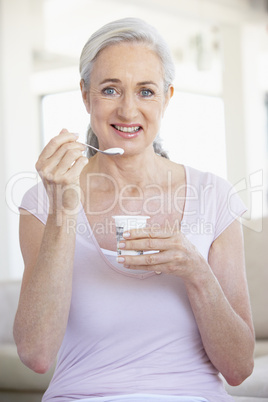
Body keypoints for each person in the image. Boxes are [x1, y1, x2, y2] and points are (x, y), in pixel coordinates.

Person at [14, 17, 255, 402]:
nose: (128, 111)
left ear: (168, 97)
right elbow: (36, 354)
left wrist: (196, 271)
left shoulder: (215, 196)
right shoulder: (43, 201)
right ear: (85, 94)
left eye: (146, 91)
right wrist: (63, 209)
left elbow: (240, 368)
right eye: (110, 89)